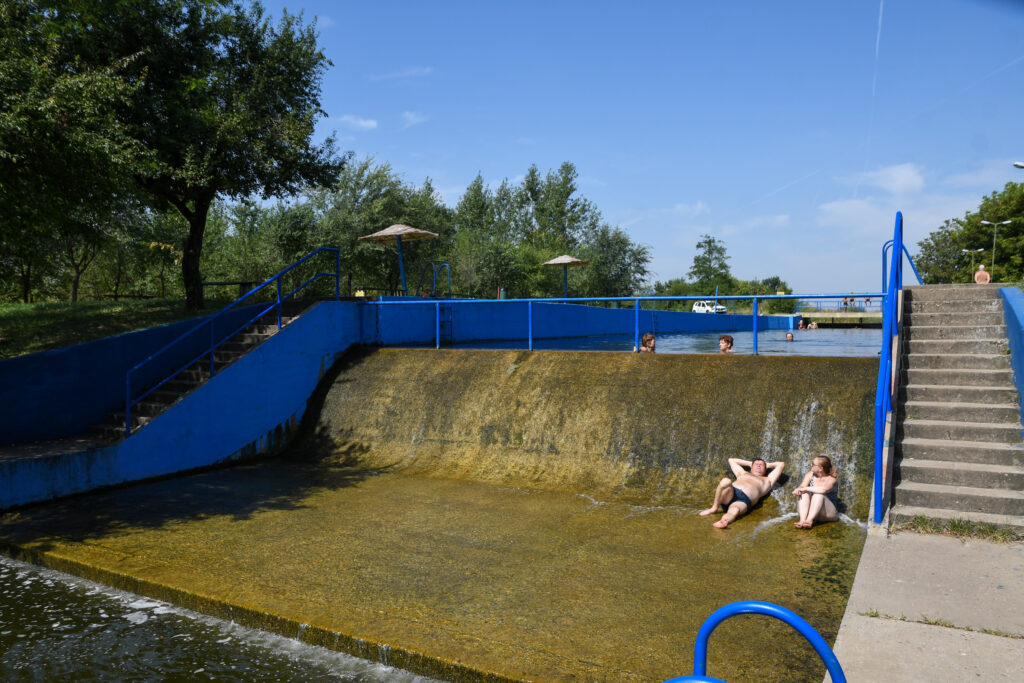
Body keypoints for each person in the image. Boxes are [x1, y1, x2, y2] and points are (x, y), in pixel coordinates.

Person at [700, 458, 786, 528]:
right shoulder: (743, 473)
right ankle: (714, 508)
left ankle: (724, 521)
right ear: (751, 467)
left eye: (762, 465)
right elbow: (731, 460)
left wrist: (767, 465)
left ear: (765, 469)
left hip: (744, 500)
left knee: (735, 510)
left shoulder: (768, 480)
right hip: (731, 492)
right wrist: (750, 463)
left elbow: (781, 464)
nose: (759, 465)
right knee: (725, 481)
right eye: (756, 464)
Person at [793, 456, 839, 529]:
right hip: (812, 512)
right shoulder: (810, 474)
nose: (811, 465)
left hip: (828, 514)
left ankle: (809, 521)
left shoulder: (831, 479)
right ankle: (802, 520)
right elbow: (802, 486)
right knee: (804, 494)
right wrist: (798, 490)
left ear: (820, 468)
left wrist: (805, 488)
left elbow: (823, 490)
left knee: (818, 495)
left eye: (813, 464)